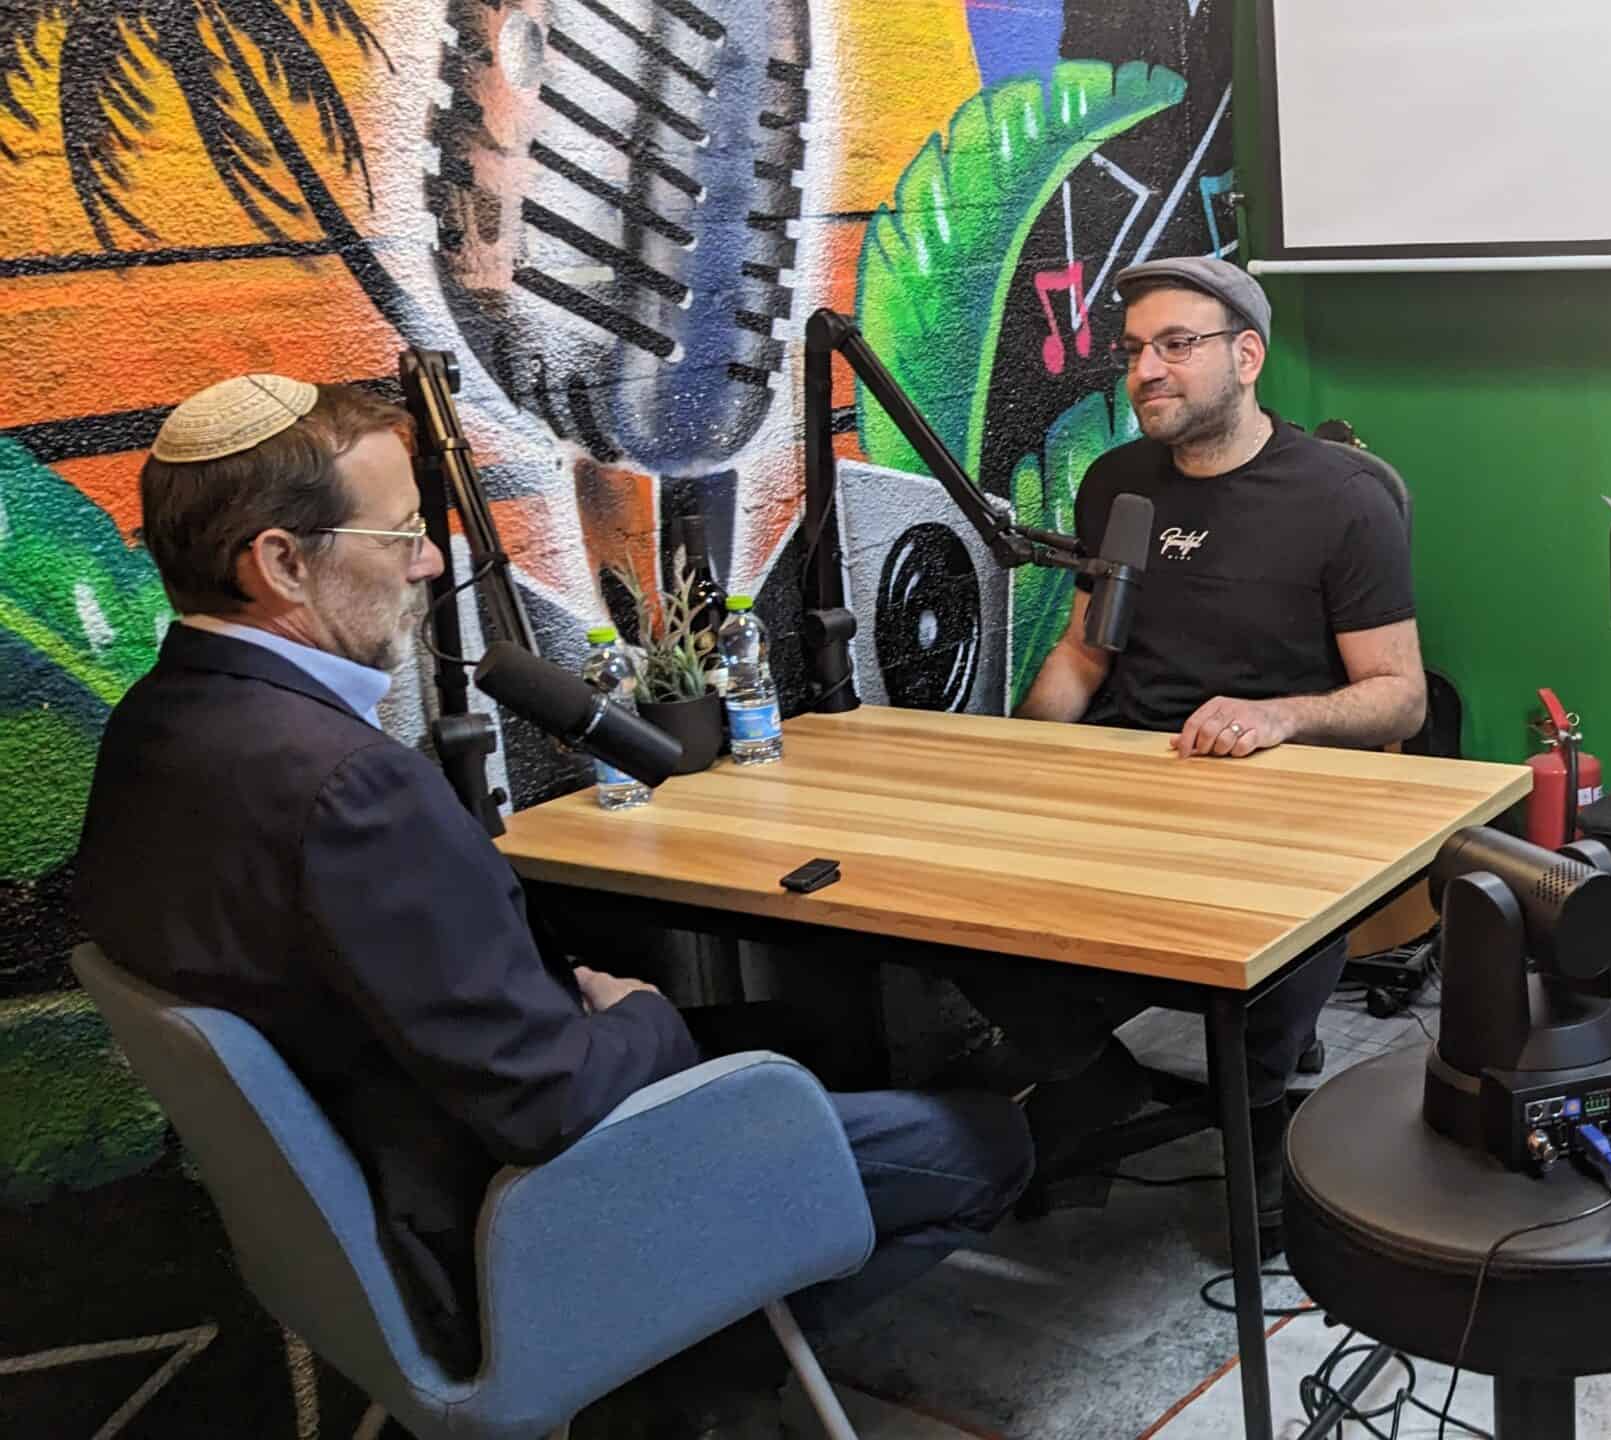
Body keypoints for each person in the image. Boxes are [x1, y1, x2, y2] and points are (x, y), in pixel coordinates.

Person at [73, 375, 1032, 1427]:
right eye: (401, 535)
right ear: (281, 563)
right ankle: (665, 1384)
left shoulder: (151, 732)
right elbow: (550, 1105)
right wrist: (639, 1014)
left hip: (386, 1200)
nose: (428, 562)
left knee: (802, 1035)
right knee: (986, 1145)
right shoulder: (348, 788)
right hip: (510, 1239)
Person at [963, 257, 1427, 1253]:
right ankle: (1093, 1079)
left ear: (1246, 356)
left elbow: (1401, 692)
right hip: (1130, 783)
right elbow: (1085, 653)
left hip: (1276, 796)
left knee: (1270, 939)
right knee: (948, 912)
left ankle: (1255, 1114)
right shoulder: (1116, 484)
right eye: (1135, 350)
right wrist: (1014, 762)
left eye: (1176, 345)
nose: (1146, 371)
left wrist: (1279, 719)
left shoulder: (1344, 498)